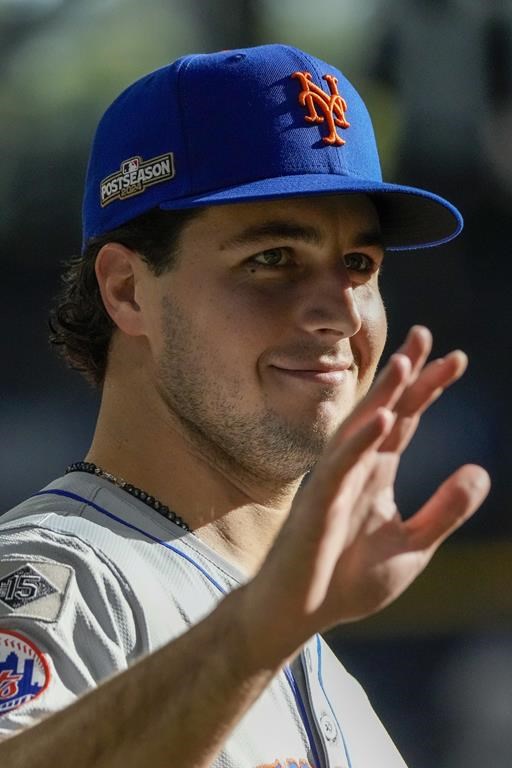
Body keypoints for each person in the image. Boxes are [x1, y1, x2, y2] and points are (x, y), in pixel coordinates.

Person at [0, 44, 489, 768]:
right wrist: (254, 637)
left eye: (359, 264)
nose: (340, 313)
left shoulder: (320, 663)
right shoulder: (56, 580)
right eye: (272, 259)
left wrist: (269, 629)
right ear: (128, 290)